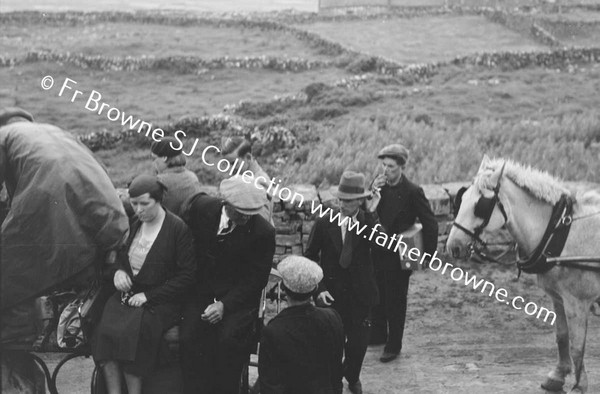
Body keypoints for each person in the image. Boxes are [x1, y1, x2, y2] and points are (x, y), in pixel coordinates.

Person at [92, 174, 196, 394]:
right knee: (104, 331)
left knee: (133, 336)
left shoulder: (177, 230)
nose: (138, 209)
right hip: (129, 297)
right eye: (134, 203)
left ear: (159, 201)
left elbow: (186, 276)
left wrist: (149, 296)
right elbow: (119, 260)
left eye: (144, 204)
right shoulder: (134, 224)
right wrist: (118, 273)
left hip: (161, 301)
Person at [180, 175, 276, 394]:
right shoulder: (202, 209)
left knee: (228, 342)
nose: (246, 217)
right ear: (226, 203)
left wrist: (224, 305)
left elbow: (257, 279)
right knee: (188, 339)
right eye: (241, 211)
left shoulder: (263, 232)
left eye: (251, 212)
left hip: (236, 300)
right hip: (200, 292)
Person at [304, 171, 381, 394]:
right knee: (331, 348)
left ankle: (352, 375)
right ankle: (334, 385)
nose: (342, 204)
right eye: (340, 199)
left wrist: (374, 214)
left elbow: (382, 249)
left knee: (357, 348)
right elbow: (310, 257)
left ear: (360, 201)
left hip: (360, 297)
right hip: (332, 297)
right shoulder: (325, 222)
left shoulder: (369, 223)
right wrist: (319, 289)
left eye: (348, 201)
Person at [369, 144, 438, 363]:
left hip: (400, 253)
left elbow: (430, 223)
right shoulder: (379, 187)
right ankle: (379, 334)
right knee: (377, 295)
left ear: (401, 167)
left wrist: (428, 256)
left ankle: (394, 345)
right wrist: (372, 193)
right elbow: (368, 212)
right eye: (384, 165)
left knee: (395, 300)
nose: (385, 170)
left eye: (390, 166)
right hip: (378, 250)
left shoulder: (412, 191)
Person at [258, 255, 344, 394]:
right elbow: (336, 372)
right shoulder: (332, 317)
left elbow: (270, 385)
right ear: (315, 288)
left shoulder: (273, 330)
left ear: (283, 289)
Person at [220, 136, 273, 223]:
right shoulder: (241, 177)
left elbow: (261, 223)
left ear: (248, 158)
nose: (229, 169)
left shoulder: (260, 184)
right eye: (227, 164)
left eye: (233, 163)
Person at [150, 136, 202, 217]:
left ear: (164, 158)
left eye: (153, 158)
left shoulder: (160, 181)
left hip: (171, 226)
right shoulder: (192, 176)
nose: (153, 163)